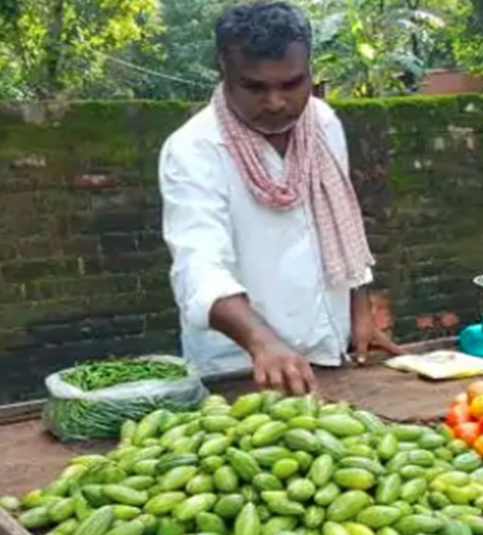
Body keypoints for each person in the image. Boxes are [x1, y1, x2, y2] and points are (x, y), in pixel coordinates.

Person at [158, 0, 402, 394]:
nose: (275, 102)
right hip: (243, 364)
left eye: (291, 84)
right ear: (225, 69)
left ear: (309, 70)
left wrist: (361, 313)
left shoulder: (322, 123)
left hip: (328, 348)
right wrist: (263, 343)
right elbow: (199, 269)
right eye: (255, 87)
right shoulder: (194, 149)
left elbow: (342, 225)